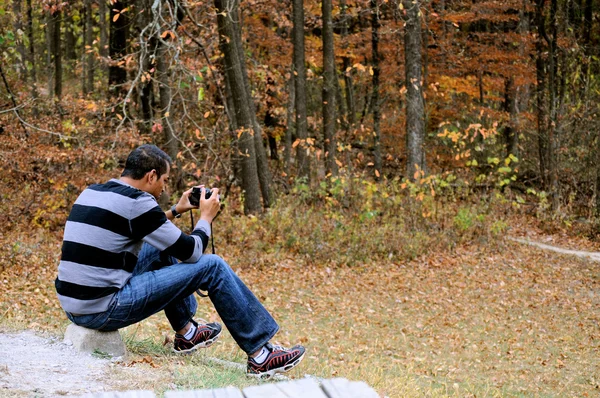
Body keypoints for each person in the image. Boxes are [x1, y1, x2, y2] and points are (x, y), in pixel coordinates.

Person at [55, 144, 305, 378]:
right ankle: (261, 355)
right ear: (151, 176)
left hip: (75, 306)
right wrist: (206, 217)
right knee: (213, 265)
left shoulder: (95, 191)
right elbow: (193, 252)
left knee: (162, 247)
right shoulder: (138, 203)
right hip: (102, 310)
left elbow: (142, 228)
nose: (164, 187)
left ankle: (187, 333)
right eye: (164, 180)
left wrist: (176, 210)